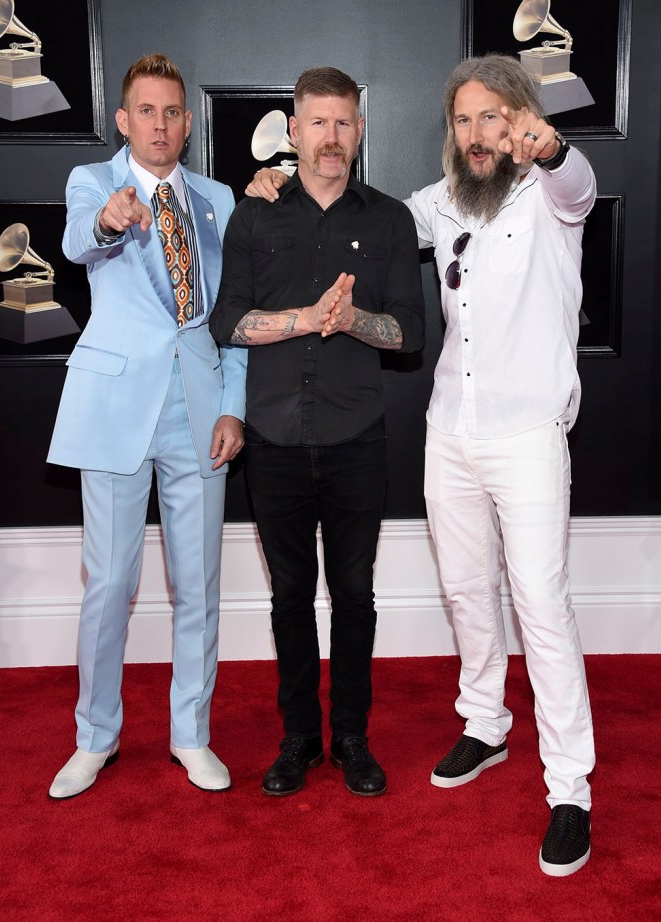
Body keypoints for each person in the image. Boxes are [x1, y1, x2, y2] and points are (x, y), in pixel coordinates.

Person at [247, 54, 595, 876]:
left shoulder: (551, 196)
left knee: (541, 605)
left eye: (492, 118)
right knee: (465, 590)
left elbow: (579, 183)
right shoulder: (441, 204)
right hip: (451, 432)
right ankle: (486, 723)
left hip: (529, 434)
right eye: (463, 120)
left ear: (521, 121)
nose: (477, 134)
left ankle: (571, 788)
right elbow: (358, 211)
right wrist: (278, 183)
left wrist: (550, 149)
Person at [214, 67, 424, 798]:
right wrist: (305, 319)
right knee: (290, 597)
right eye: (318, 122)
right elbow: (227, 321)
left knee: (355, 594)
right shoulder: (255, 215)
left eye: (343, 123)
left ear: (359, 131)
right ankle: (299, 737)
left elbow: (410, 333)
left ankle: (353, 738)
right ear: (293, 131)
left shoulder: (390, 219)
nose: (330, 137)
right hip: (272, 439)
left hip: (356, 438)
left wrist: (353, 320)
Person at [47, 53, 247, 799]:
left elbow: (233, 317)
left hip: (199, 409)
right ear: (123, 121)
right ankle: (94, 737)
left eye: (171, 113)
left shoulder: (218, 199)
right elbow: (77, 239)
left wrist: (233, 404)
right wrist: (110, 219)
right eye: (146, 112)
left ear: (186, 124)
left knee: (199, 583)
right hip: (115, 409)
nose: (159, 125)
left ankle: (191, 734)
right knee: (110, 584)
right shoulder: (93, 183)